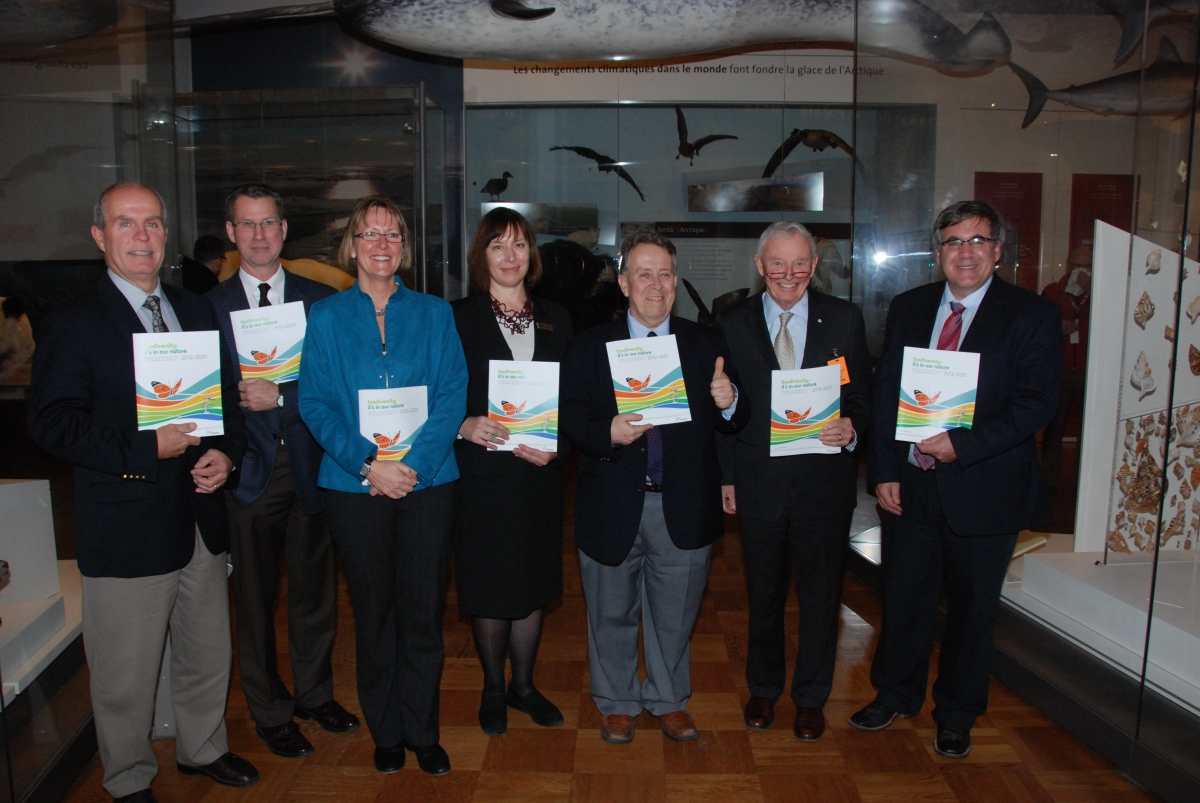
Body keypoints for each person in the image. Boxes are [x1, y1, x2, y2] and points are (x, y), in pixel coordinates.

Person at [28, 183, 258, 803]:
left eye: (152, 223)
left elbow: (229, 409)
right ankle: (128, 778)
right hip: (126, 522)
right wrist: (142, 448)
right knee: (124, 673)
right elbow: (51, 421)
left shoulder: (198, 308)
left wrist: (226, 456)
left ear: (165, 235)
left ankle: (202, 748)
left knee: (207, 652)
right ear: (100, 236)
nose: (141, 236)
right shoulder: (73, 320)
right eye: (125, 224)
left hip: (201, 515)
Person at [857, 200, 1061, 759]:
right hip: (911, 485)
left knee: (973, 611)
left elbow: (1038, 403)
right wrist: (883, 471)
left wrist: (962, 444)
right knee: (902, 599)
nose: (965, 252)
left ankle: (957, 713)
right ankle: (895, 694)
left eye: (977, 241)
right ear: (938, 252)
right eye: (953, 242)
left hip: (984, 488)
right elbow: (884, 394)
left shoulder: (1030, 315)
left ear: (997, 251)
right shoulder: (908, 307)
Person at [298, 196, 466, 776]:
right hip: (353, 486)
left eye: (392, 235)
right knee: (372, 615)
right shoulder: (324, 318)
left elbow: (452, 397)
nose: (381, 245)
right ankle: (386, 731)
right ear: (352, 245)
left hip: (428, 482)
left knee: (421, 614)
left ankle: (423, 731)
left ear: (404, 248)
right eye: (370, 234)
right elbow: (315, 404)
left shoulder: (435, 314)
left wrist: (409, 466)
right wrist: (371, 465)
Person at [560, 230, 749, 745]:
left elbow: (735, 419)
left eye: (665, 273)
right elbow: (570, 417)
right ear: (623, 283)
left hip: (682, 505)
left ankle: (668, 700)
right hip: (611, 502)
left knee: (675, 614)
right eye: (644, 273)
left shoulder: (705, 343)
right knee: (609, 612)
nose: (656, 284)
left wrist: (729, 398)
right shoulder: (589, 345)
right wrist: (608, 433)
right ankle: (616, 702)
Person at [206, 183, 358, 759]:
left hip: (317, 466)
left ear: (285, 229)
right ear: (231, 233)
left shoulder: (322, 301)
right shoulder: (209, 307)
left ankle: (315, 694)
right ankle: (269, 709)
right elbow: (209, 398)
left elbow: (337, 389)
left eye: (268, 223)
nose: (259, 235)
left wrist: (282, 400)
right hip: (247, 472)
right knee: (253, 599)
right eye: (247, 225)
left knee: (316, 593)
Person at [716, 221, 871, 741]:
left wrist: (851, 429)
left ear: (813, 265)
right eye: (778, 263)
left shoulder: (844, 318)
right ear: (760, 267)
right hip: (758, 482)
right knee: (762, 594)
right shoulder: (731, 320)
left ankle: (810, 698)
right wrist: (728, 477)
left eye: (800, 262)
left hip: (824, 486)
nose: (789, 274)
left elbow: (861, 398)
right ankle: (764, 690)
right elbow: (724, 404)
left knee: (823, 597)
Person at [451, 207, 574, 736]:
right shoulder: (456, 317)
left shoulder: (558, 317)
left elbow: (578, 399)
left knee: (530, 578)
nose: (509, 256)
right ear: (482, 256)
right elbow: (437, 394)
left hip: (539, 473)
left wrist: (560, 445)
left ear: (532, 255)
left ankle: (524, 686)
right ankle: (493, 689)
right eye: (498, 245)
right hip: (482, 475)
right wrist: (462, 425)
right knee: (489, 580)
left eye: (520, 245)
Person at [1040, 245, 1091, 498]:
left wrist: (1091, 288)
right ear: (1068, 265)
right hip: (1058, 370)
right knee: (1054, 427)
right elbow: (1037, 330)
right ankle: (1049, 481)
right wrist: (1057, 326)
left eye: (1088, 266)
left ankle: (1084, 478)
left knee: (1088, 428)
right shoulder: (1052, 292)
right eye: (1076, 265)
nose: (1080, 271)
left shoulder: (1100, 292)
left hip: (1089, 370)